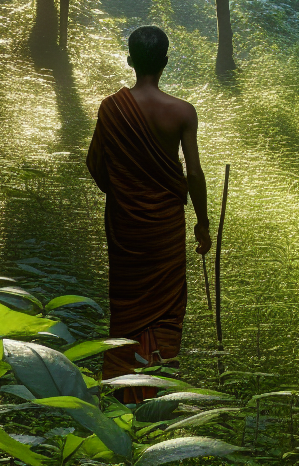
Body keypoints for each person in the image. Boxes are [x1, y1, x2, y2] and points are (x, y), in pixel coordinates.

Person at [86, 25, 211, 402]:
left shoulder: (112, 108)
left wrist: (125, 192)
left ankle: (123, 391)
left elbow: (94, 163)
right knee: (166, 307)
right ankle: (158, 389)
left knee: (127, 305)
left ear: (130, 60)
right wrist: (202, 224)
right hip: (165, 227)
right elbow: (193, 173)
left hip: (126, 227)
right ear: (166, 62)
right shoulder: (183, 112)